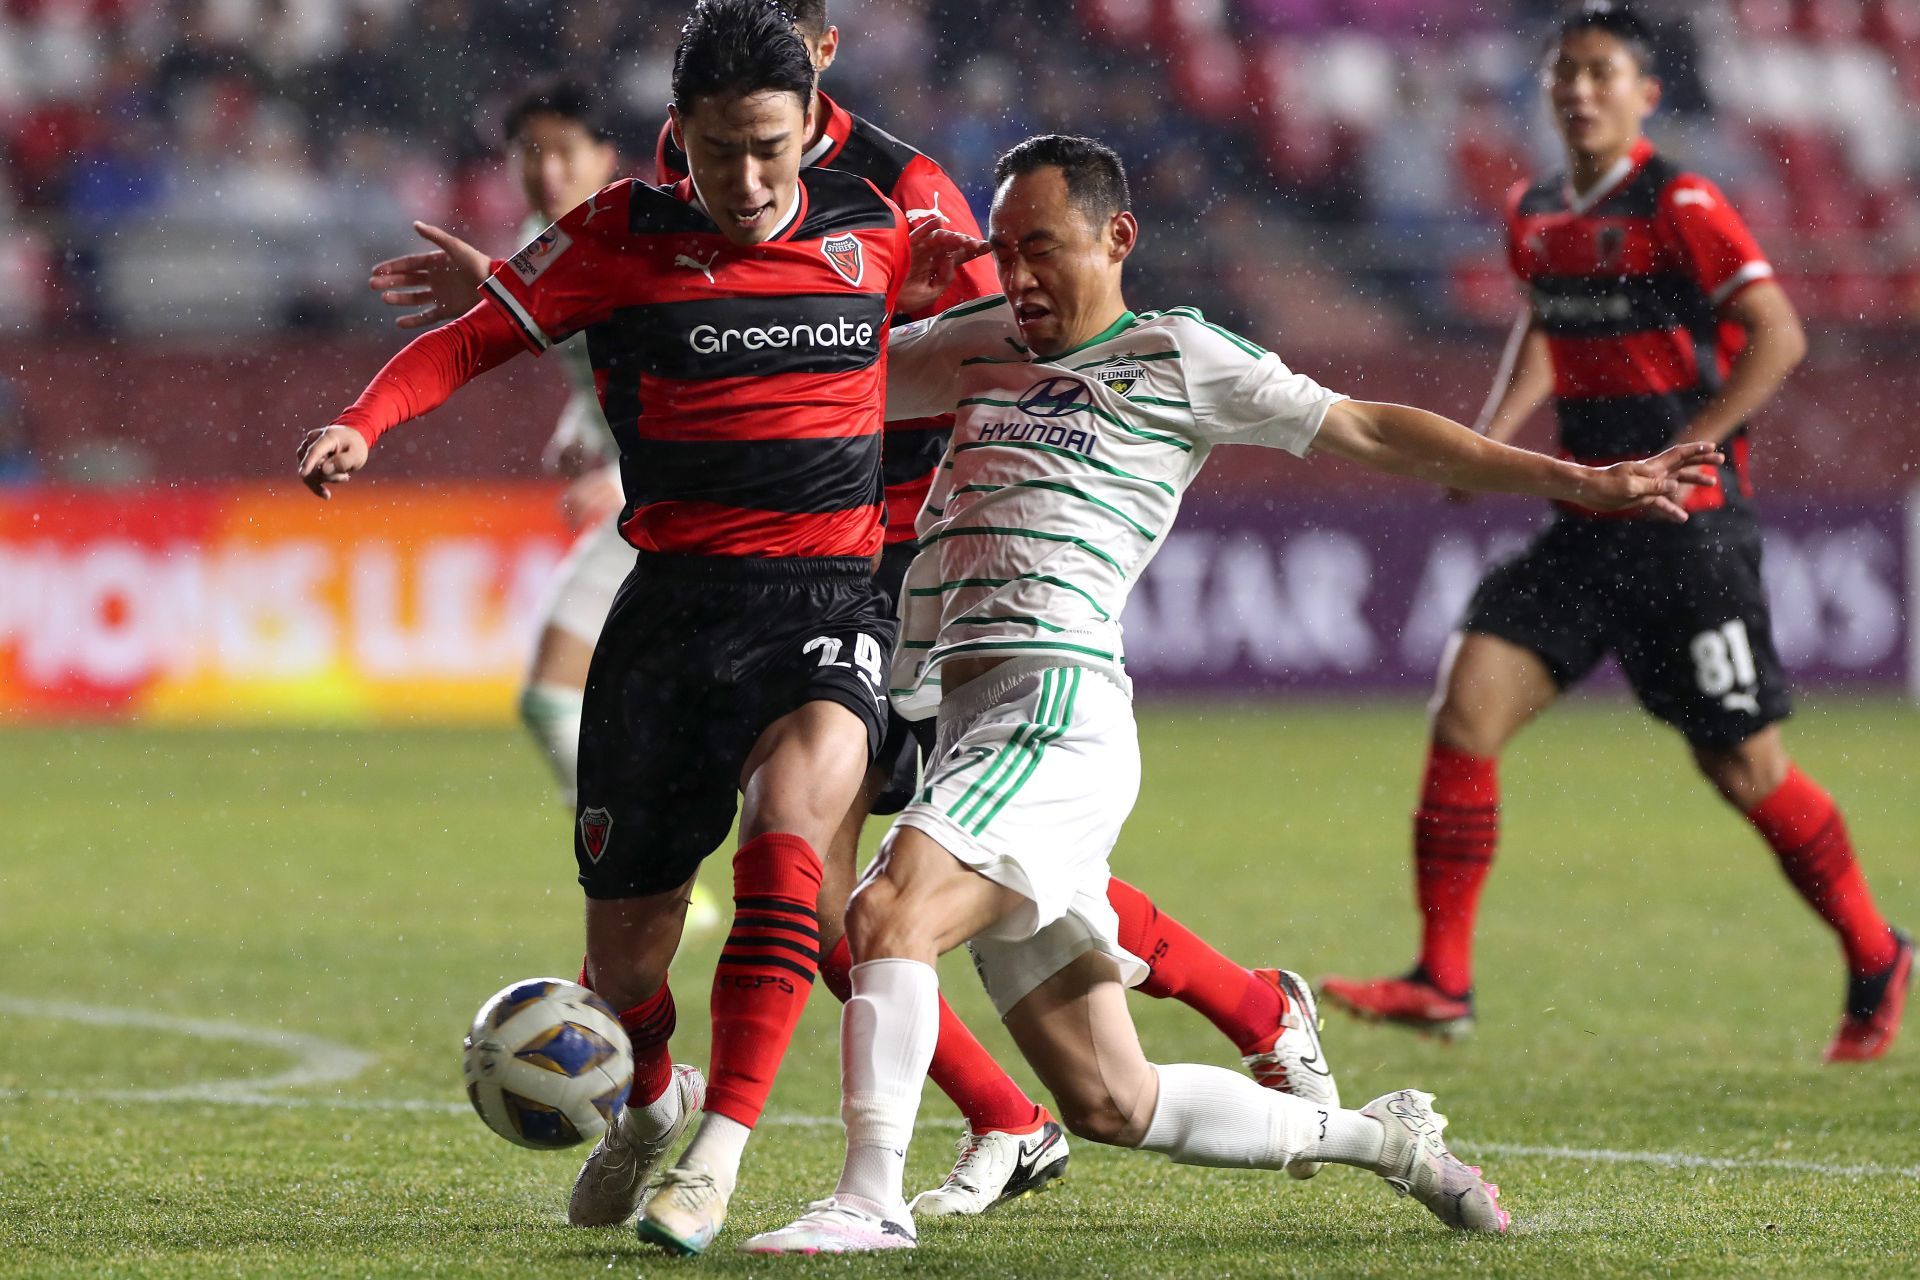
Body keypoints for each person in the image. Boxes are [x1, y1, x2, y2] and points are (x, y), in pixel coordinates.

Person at [375, 0, 1352, 1223]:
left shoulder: (902, 189)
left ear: (823, 51)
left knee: (881, 886)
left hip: (886, 561)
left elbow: (1018, 333)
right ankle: (1079, 1084)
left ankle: (939, 1129)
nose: (744, 158)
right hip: (770, 561)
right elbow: (687, 324)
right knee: (891, 890)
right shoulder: (712, 171)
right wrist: (536, 310)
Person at [743, 133, 1718, 1253]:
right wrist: (855, 290)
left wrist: (1575, 477)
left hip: (1054, 712)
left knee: (882, 912)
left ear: (1119, 238)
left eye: (1042, 249)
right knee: (1112, 1099)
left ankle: (870, 1201)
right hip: (969, 726)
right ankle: (1383, 1138)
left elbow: (1364, 425)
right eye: (1003, 250)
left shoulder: (1176, 354)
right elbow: (816, 373)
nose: (1017, 278)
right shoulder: (978, 341)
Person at [297, 0, 984, 1256]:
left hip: (829, 601)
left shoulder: (884, 224)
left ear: (808, 126)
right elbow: (468, 342)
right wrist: (362, 423)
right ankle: (648, 1106)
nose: (748, 178)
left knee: (794, 830)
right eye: (720, 149)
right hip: (671, 616)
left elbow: (996, 328)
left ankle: (719, 1148)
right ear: (679, 133)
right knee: (625, 963)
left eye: (771, 146)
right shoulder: (620, 234)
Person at [1319, 2, 1910, 1063]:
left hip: (1690, 529)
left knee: (1746, 769)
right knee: (1468, 704)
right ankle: (1442, 976)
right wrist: (1486, 440)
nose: (1580, 90)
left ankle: (1876, 952)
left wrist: (1698, 444)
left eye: (1602, 73)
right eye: (1566, 74)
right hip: (1589, 518)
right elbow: (1549, 322)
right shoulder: (1534, 208)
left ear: (1645, 93)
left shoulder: (1679, 199)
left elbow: (1780, 333)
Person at [371, 79, 723, 936]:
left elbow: (677, 347)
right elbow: (601, 357)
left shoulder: (634, 233)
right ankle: (670, 867)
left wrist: (622, 467)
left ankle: (652, 871)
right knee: (652, 703)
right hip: (652, 494)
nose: (548, 167)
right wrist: (584, 428)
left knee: (581, 697)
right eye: (531, 150)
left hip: (683, 495)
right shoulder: (542, 241)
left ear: (609, 158)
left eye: (566, 149)